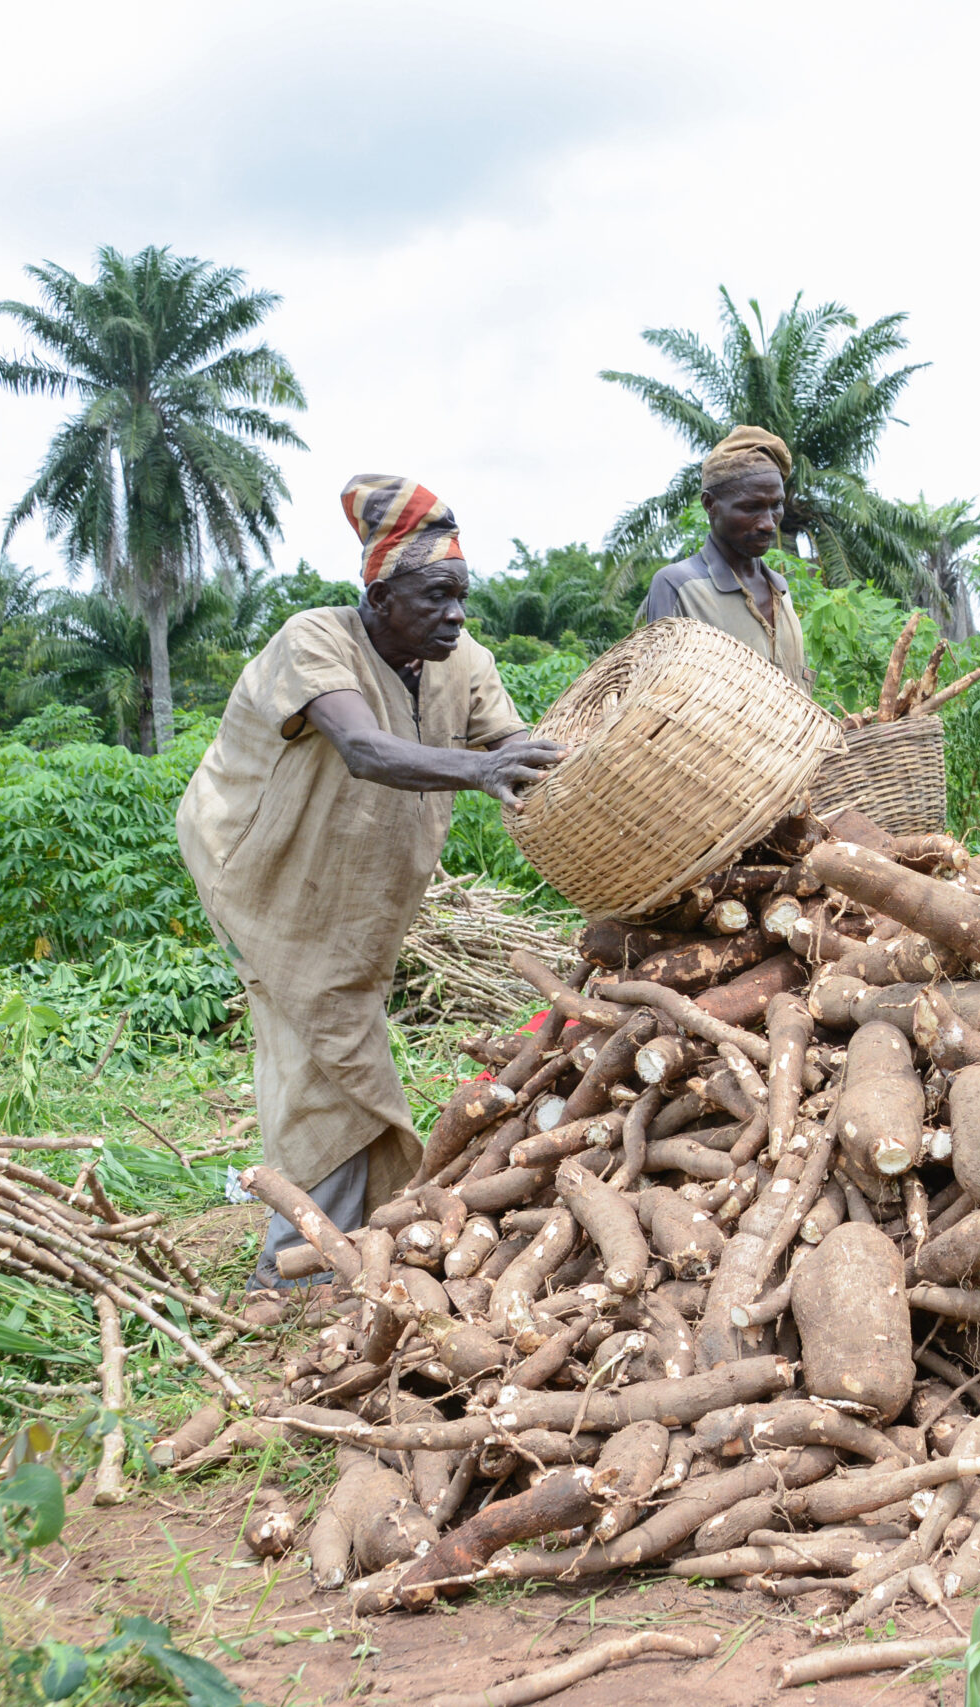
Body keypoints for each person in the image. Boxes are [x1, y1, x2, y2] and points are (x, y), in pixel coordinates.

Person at [177, 475, 565, 1292]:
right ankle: (295, 1272)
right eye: (437, 596)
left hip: (357, 894)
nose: (457, 615)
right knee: (329, 1054)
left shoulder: (466, 663)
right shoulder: (314, 640)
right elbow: (362, 748)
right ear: (381, 594)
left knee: (334, 1041)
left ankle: (344, 1247)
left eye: (464, 596)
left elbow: (521, 750)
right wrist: (483, 766)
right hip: (263, 874)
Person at [639, 425, 813, 687]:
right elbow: (657, 698)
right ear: (710, 504)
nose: (768, 523)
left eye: (775, 505)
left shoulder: (781, 589)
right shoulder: (679, 587)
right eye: (751, 507)